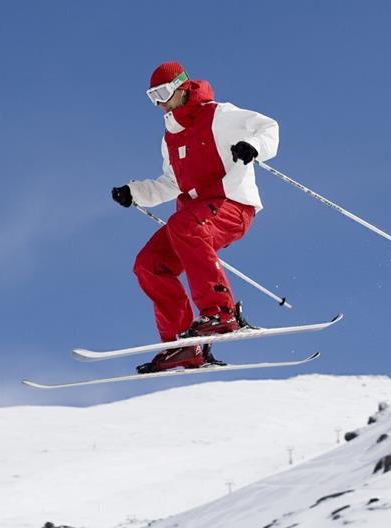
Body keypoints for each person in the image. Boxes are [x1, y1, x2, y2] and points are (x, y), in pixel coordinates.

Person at [111, 61, 279, 374]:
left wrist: (252, 147)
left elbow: (268, 128)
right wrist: (135, 192)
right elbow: (170, 183)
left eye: (162, 93)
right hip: (192, 220)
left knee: (184, 225)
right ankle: (183, 347)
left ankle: (221, 312)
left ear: (181, 85)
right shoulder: (170, 137)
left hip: (232, 205)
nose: (159, 103)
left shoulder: (219, 114)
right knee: (149, 264)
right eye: (152, 97)